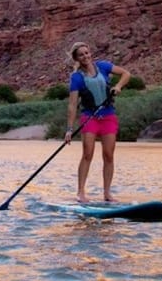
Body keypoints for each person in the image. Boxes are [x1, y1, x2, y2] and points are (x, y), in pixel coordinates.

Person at [63, 41, 131, 203]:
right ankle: (81, 193)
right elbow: (72, 106)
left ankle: (107, 193)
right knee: (87, 154)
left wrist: (119, 86)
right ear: (76, 58)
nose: (85, 56)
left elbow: (126, 74)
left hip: (108, 117)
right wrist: (69, 129)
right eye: (81, 55)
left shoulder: (104, 66)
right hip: (89, 118)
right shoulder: (77, 78)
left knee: (108, 155)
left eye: (87, 53)